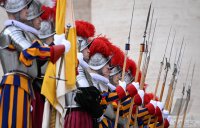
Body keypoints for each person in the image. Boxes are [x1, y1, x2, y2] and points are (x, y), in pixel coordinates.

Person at [0, 0, 70, 127]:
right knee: (15, 123)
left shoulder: (19, 30)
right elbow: (30, 52)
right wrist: (58, 49)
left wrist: (55, 46)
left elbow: (38, 63)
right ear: (17, 10)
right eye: (25, 7)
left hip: (24, 84)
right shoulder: (11, 30)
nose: (27, 10)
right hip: (14, 84)